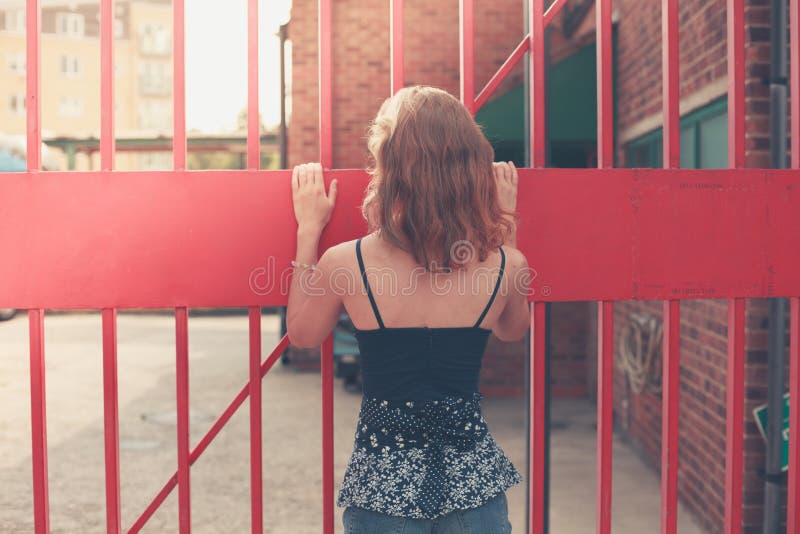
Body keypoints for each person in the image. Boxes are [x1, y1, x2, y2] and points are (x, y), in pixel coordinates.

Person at [286, 85, 531, 534]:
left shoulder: (348, 261)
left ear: (389, 169)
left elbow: (302, 335)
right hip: (474, 490)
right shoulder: (507, 265)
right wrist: (505, 228)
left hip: (384, 488)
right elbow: (513, 330)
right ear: (472, 168)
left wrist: (308, 230)